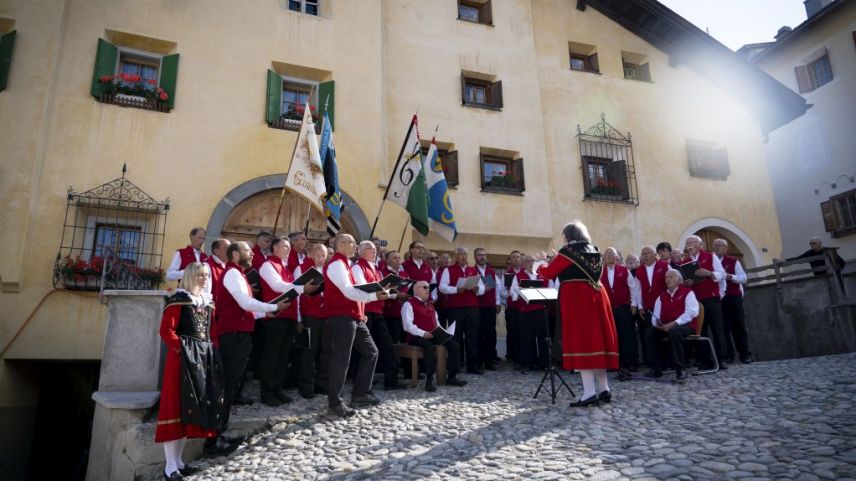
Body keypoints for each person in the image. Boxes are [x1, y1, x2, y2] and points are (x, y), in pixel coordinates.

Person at [211, 242, 287, 453]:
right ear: (235, 254)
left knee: (230, 385)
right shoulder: (233, 273)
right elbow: (245, 303)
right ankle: (214, 439)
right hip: (232, 337)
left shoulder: (238, 274)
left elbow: (245, 309)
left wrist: (266, 313)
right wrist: (272, 306)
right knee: (225, 386)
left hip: (239, 336)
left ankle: (219, 434)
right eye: (247, 251)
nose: (252, 253)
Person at [535, 221, 618, 408]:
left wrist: (540, 263)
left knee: (581, 341)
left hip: (577, 298)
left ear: (568, 236)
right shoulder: (594, 250)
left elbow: (548, 273)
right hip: (597, 295)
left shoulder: (568, 252)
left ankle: (589, 393)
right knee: (597, 341)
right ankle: (604, 389)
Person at [155, 263, 223, 479]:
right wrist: (182, 350)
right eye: (200, 275)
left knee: (189, 409)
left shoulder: (208, 302)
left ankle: (179, 462)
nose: (204, 279)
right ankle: (169, 467)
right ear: (190, 276)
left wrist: (211, 352)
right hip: (182, 360)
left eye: (206, 275)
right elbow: (166, 330)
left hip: (202, 359)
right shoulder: (179, 299)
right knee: (175, 408)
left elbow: (210, 333)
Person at [324, 234, 388, 417]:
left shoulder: (346, 264)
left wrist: (361, 311)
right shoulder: (337, 264)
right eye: (353, 243)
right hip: (341, 317)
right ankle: (335, 403)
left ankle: (360, 393)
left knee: (371, 352)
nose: (355, 246)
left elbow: (353, 292)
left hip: (353, 316)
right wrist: (373, 297)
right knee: (341, 359)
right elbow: (348, 291)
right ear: (342, 245)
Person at [258, 237, 319, 406]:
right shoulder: (268, 265)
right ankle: (267, 392)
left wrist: (298, 316)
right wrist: (301, 288)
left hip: (289, 317)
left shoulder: (285, 268)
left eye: (288, 247)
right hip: (275, 316)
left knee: (283, 356)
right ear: (274, 248)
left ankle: (278, 389)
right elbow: (277, 285)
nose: (288, 249)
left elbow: (293, 292)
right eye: (284, 246)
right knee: (272, 355)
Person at [352, 240, 406, 391]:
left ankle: (391, 381)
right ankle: (361, 382)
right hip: (366, 311)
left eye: (375, 249)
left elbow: (382, 293)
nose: (374, 251)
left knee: (387, 345)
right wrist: (382, 288)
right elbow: (362, 287)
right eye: (370, 248)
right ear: (361, 252)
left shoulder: (376, 270)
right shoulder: (357, 267)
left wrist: (393, 292)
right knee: (363, 348)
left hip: (378, 311)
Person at [402, 281, 468, 391]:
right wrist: (423, 333)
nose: (428, 289)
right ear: (416, 289)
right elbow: (407, 326)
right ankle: (429, 380)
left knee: (453, 345)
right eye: (425, 287)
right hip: (416, 337)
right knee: (429, 347)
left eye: (428, 287)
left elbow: (436, 323)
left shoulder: (430, 304)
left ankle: (452, 377)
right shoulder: (408, 304)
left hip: (432, 334)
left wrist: (443, 333)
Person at [644, 269, 699, 383]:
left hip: (686, 325)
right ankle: (657, 368)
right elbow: (656, 315)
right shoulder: (661, 296)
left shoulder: (688, 292)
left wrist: (675, 323)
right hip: (666, 327)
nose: (668, 279)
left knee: (675, 331)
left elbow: (692, 312)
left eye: (671, 277)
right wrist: (658, 324)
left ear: (679, 280)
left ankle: (680, 368)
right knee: (650, 332)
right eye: (666, 277)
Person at [682, 235, 728, 370]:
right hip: (694, 300)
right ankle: (705, 360)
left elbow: (722, 274)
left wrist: (709, 273)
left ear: (699, 245)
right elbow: (683, 283)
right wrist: (686, 282)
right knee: (700, 330)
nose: (689, 245)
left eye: (691, 242)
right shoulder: (684, 262)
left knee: (717, 329)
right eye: (687, 243)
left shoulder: (710, 256)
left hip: (711, 298)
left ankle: (721, 359)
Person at [439, 247, 485, 374]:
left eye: (465, 254)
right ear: (456, 256)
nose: (463, 256)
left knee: (472, 337)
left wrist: (477, 290)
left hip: (472, 307)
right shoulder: (449, 270)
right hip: (455, 308)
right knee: (456, 337)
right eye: (460, 254)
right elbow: (442, 287)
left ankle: (472, 366)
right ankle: (456, 365)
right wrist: (455, 289)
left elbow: (482, 289)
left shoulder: (473, 270)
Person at [294, 243, 329, 398]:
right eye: (318, 255)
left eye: (323, 255)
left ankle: (322, 384)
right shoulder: (301, 268)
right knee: (310, 351)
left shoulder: (328, 271)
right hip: (310, 315)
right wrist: (299, 319)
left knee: (326, 350)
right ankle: (306, 386)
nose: (321, 259)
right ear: (310, 255)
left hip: (326, 315)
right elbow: (295, 294)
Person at [713, 239, 753, 364]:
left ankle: (745, 354)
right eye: (715, 246)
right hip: (718, 298)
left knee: (739, 326)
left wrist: (731, 276)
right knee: (722, 328)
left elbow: (743, 278)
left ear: (726, 248)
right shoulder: (711, 261)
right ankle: (728, 356)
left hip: (733, 297)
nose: (717, 248)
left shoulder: (733, 261)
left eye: (720, 245)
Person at [600, 247, 638, 378]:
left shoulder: (624, 271)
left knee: (628, 336)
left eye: (612, 254)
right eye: (607, 254)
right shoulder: (600, 273)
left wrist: (634, 304)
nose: (609, 256)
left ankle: (631, 363)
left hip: (623, 308)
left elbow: (633, 288)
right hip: (608, 309)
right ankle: (616, 363)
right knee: (612, 336)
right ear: (603, 258)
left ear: (617, 257)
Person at [631, 246, 669, 368]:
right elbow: (637, 289)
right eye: (643, 254)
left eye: (648, 253)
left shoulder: (664, 266)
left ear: (654, 255)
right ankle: (655, 363)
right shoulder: (639, 270)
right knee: (652, 335)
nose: (645, 256)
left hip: (664, 307)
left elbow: (672, 282)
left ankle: (668, 362)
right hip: (648, 307)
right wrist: (640, 306)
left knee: (665, 333)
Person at [510, 255, 548, 372]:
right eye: (528, 261)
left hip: (540, 310)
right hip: (525, 311)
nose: (531, 263)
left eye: (532, 261)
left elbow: (550, 289)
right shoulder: (518, 276)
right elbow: (512, 292)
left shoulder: (541, 276)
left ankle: (543, 363)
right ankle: (528, 362)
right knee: (526, 338)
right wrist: (522, 291)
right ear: (523, 264)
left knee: (542, 338)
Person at [474, 247, 501, 371]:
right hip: (476, 307)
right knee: (478, 334)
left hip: (490, 307)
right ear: (475, 257)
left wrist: (498, 302)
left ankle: (490, 361)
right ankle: (478, 361)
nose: (482, 257)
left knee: (490, 333)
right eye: (479, 255)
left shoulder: (491, 271)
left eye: (484, 255)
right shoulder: (471, 271)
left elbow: (497, 288)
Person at [776, 236, 846, 276]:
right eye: (810, 243)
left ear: (820, 243)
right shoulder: (809, 253)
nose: (812, 244)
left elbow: (842, 263)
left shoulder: (828, 251)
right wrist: (784, 261)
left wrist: (837, 273)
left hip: (831, 276)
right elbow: (798, 259)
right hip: (818, 277)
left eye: (814, 243)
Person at [382, 250, 409, 343]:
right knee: (392, 340)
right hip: (390, 312)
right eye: (395, 258)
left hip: (404, 312)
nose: (398, 260)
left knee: (404, 340)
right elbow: (382, 291)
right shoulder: (383, 273)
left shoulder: (404, 274)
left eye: (399, 258)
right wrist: (396, 296)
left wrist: (408, 296)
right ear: (388, 261)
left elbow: (409, 288)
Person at [503, 250, 524, 366]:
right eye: (513, 257)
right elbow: (502, 292)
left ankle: (524, 356)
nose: (516, 259)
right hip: (512, 308)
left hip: (523, 308)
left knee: (524, 333)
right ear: (510, 260)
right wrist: (513, 293)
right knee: (513, 332)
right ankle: (515, 358)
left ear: (521, 259)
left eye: (517, 257)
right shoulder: (507, 274)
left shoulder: (525, 272)